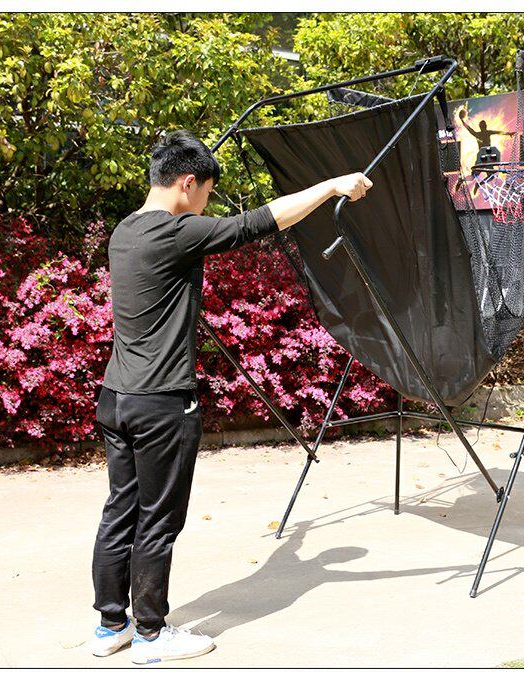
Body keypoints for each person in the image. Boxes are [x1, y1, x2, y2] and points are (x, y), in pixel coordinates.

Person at [89, 130, 372, 664]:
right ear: (187, 182)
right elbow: (259, 221)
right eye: (206, 193)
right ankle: (150, 635)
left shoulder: (125, 230)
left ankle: (111, 626)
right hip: (162, 403)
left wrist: (300, 539)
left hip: (117, 397)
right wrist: (331, 185)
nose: (206, 204)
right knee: (158, 520)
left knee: (120, 511)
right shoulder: (176, 232)